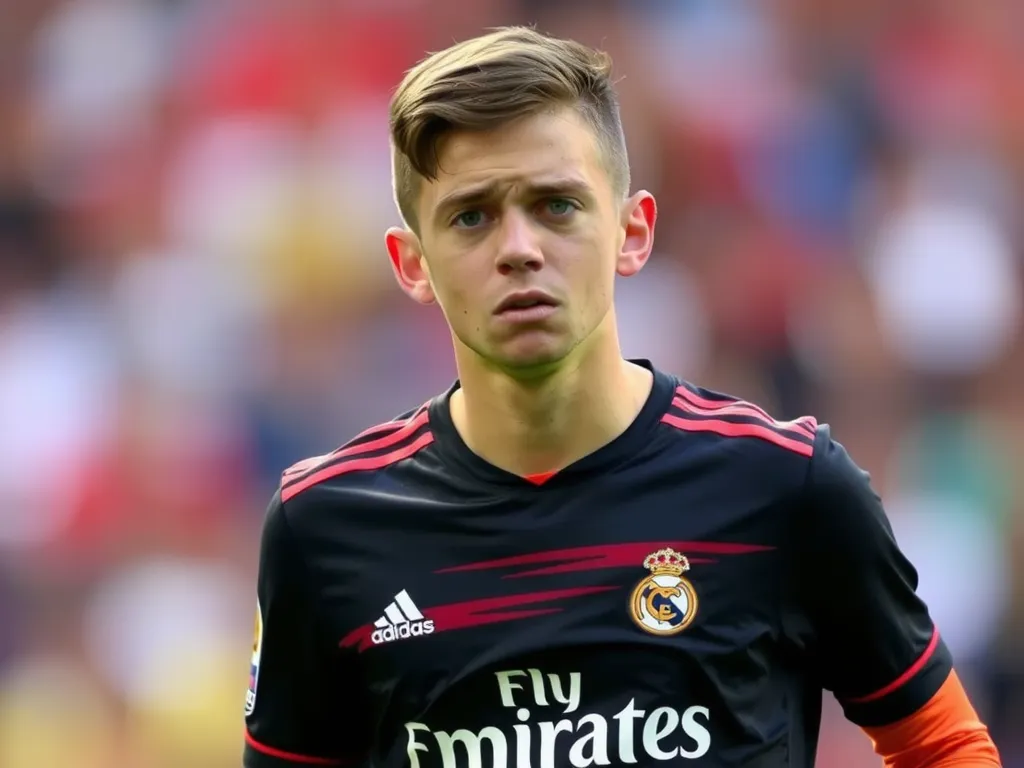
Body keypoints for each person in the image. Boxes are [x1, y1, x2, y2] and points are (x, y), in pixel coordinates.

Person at [241, 26, 1001, 768]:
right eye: (472, 217)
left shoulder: (784, 484)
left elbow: (944, 745)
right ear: (411, 263)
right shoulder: (326, 526)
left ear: (633, 232)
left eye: (557, 205)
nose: (519, 248)